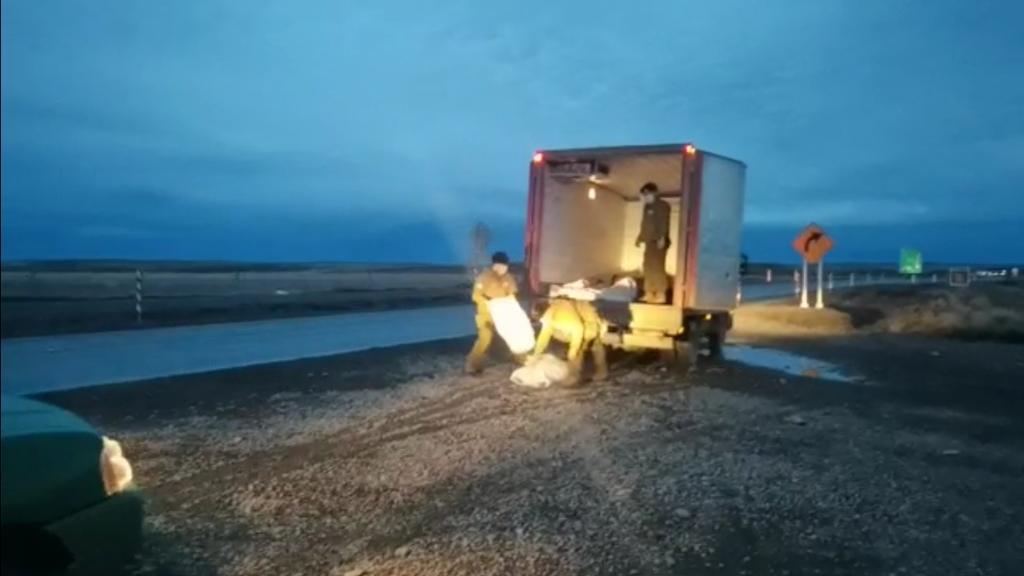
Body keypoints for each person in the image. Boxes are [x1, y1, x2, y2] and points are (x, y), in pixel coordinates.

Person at [528, 298, 608, 386]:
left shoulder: (562, 317)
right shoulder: (552, 312)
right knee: (595, 345)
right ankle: (602, 371)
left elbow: (578, 330)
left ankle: (573, 376)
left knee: (578, 349)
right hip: (583, 317)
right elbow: (544, 335)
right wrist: (536, 354)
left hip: (587, 323)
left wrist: (573, 349)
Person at [465, 251, 520, 375]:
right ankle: (472, 364)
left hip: (503, 314)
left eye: (505, 266)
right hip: (486, 314)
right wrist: (488, 302)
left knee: (513, 335)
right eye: (501, 266)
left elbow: (512, 294)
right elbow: (476, 296)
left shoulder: (508, 278)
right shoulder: (484, 277)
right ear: (495, 265)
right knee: (485, 337)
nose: (503, 269)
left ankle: (519, 358)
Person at [635, 182, 671, 303]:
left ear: (653, 193)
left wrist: (662, 237)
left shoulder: (662, 205)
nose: (643, 198)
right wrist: (639, 238)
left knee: (657, 268)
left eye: (646, 194)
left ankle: (661, 294)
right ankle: (649, 292)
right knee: (648, 267)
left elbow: (663, 222)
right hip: (649, 242)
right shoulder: (647, 207)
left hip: (658, 241)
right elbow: (645, 225)